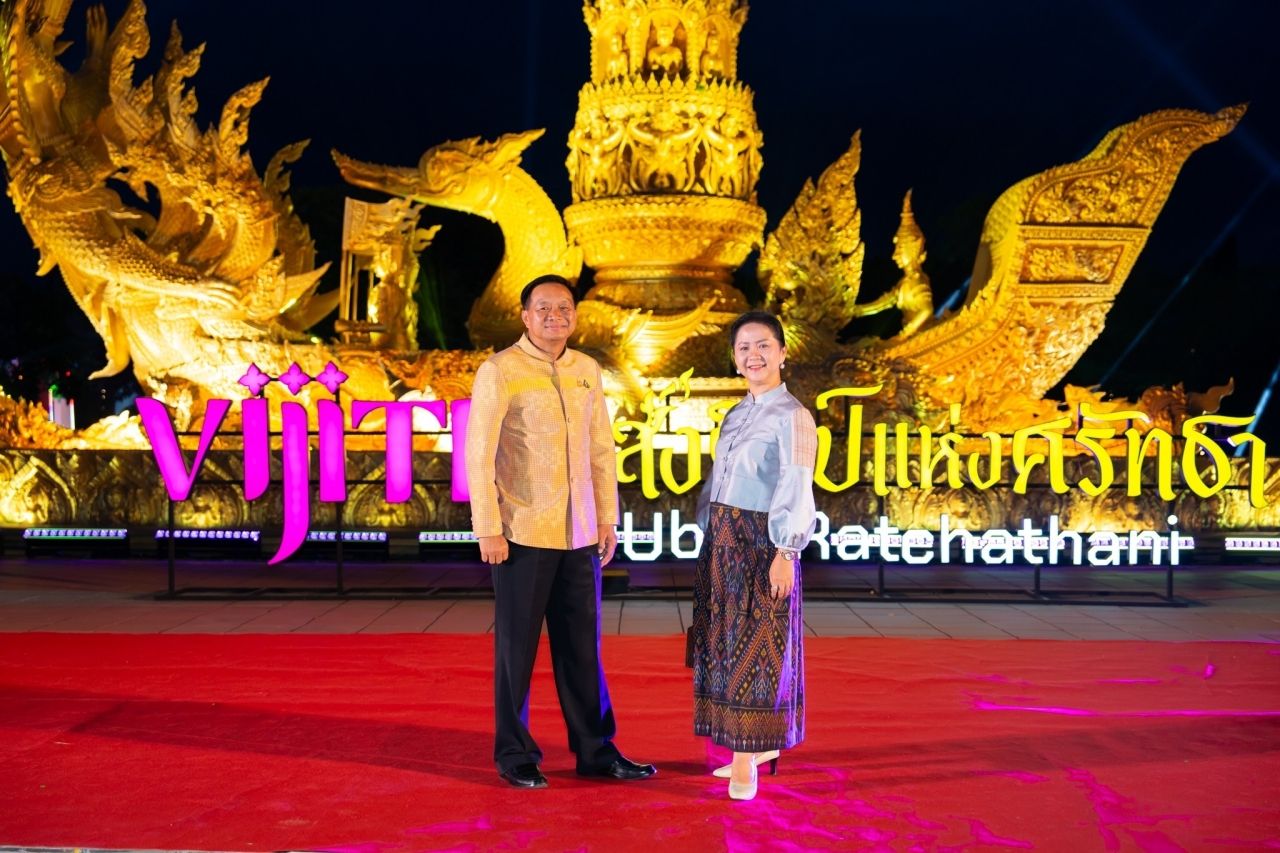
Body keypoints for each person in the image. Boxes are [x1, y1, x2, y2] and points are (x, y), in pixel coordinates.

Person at [465, 273, 657, 789]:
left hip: (580, 533)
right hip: (521, 532)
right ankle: (515, 754)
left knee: (582, 650)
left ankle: (596, 751)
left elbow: (601, 449)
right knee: (516, 652)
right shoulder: (500, 370)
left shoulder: (586, 369)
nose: (555, 316)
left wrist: (607, 518)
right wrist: (488, 528)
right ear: (525, 316)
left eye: (564, 307)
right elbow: (478, 454)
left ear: (574, 315)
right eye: (544, 308)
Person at [687, 310, 817, 801]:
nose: (753, 355)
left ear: (783, 352)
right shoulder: (737, 414)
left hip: (763, 542)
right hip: (722, 542)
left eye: (763, 345)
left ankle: (746, 760)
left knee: (757, 646)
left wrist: (787, 549)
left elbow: (797, 484)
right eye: (744, 348)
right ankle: (756, 746)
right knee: (724, 644)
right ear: (735, 358)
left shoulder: (793, 416)